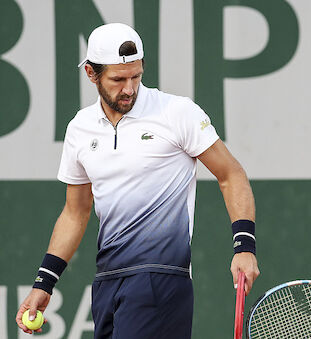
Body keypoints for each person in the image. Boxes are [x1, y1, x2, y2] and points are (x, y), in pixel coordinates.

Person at [15, 23, 259, 338]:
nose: (129, 88)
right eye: (118, 79)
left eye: (136, 76)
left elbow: (231, 174)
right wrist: (44, 283)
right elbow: (75, 212)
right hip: (107, 282)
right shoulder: (80, 128)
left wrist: (244, 246)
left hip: (161, 279)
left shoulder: (176, 112)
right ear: (92, 74)